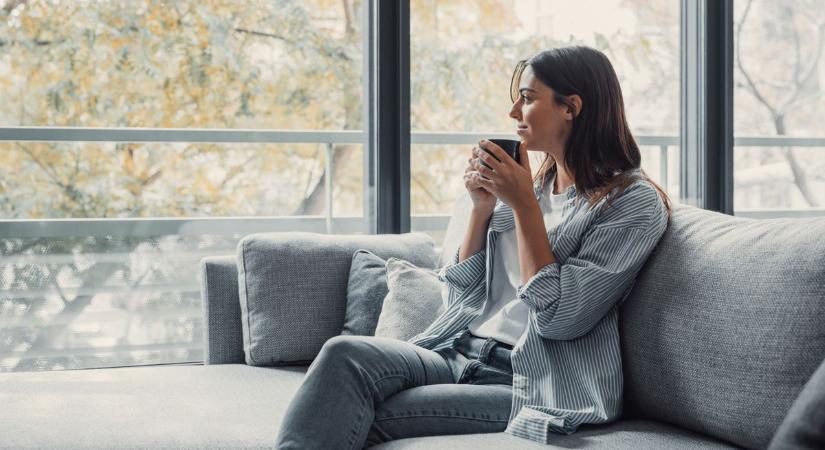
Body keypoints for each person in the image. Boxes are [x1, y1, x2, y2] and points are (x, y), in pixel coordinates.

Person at [275, 45, 672, 449]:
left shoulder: (631, 204)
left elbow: (560, 318)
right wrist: (481, 210)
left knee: (353, 416)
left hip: (529, 381)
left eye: (528, 99)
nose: (514, 112)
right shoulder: (534, 186)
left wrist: (524, 208)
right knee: (344, 354)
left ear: (571, 107)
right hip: (455, 352)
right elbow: (460, 296)